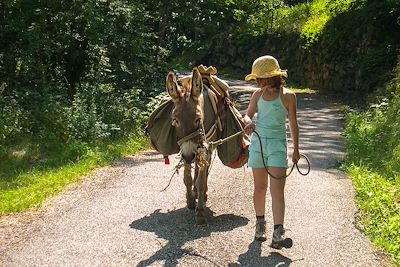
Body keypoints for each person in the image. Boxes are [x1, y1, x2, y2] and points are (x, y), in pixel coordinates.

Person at [243, 55, 300, 249]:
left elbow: (293, 123)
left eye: (260, 79)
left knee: (277, 191)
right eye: (257, 79)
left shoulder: (288, 96)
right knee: (259, 187)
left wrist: (296, 150)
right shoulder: (257, 95)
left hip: (277, 146)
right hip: (258, 145)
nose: (258, 82)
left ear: (272, 78)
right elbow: (247, 115)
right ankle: (260, 225)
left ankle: (278, 233)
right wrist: (248, 121)